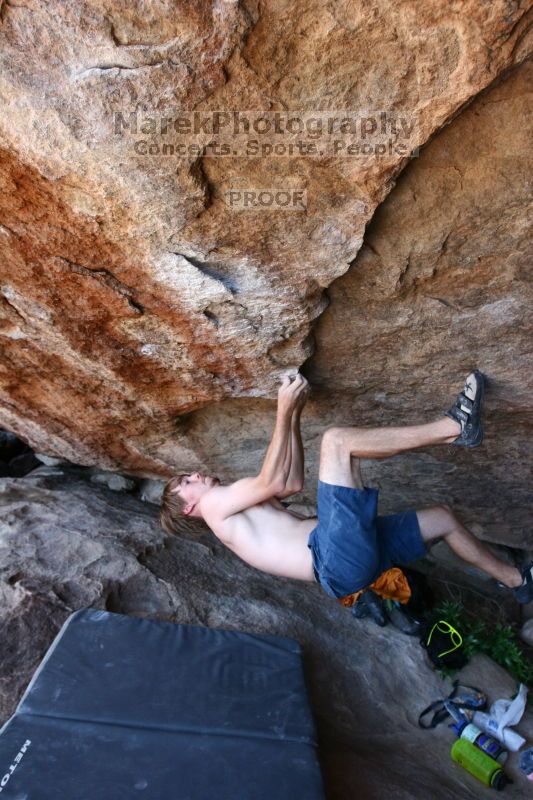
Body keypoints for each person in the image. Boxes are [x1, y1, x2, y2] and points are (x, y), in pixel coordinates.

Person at [160, 371, 533, 604]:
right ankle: (454, 427)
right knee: (337, 441)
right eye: (186, 483)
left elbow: (289, 483)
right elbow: (271, 480)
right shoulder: (213, 507)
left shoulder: (233, 512)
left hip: (343, 563)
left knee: (442, 519)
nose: (194, 476)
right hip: (332, 556)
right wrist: (282, 408)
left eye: (188, 475)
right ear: (188, 508)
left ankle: (517, 582)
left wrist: (294, 414)